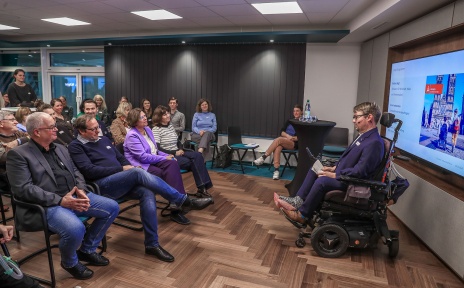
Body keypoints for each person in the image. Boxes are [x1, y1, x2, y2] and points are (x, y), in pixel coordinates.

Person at [68, 114, 212, 261]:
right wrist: (123, 169)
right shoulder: (76, 146)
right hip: (102, 185)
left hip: (120, 181)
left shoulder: (103, 139)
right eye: (93, 129)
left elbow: (120, 158)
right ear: (81, 131)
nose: (98, 131)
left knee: (146, 191)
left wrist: (127, 166)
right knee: (137, 172)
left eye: (98, 127)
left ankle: (152, 244)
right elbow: (89, 171)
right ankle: (181, 199)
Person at [6, 112, 119, 280]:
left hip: (73, 196)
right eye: (51, 127)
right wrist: (60, 200)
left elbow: (75, 171)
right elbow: (23, 189)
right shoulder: (19, 154)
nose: (56, 129)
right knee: (75, 228)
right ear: (37, 132)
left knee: (112, 207)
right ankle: (70, 262)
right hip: (47, 205)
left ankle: (86, 250)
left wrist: (80, 189)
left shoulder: (60, 147)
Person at [275, 102, 384, 226]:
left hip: (352, 182)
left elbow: (361, 171)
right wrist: (334, 167)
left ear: (369, 117)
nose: (354, 121)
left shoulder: (374, 142)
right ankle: (297, 201)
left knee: (322, 181)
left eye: (356, 117)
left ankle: (302, 215)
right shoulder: (364, 136)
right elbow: (348, 158)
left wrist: (335, 175)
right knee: (315, 168)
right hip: (343, 174)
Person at [124, 108, 198, 225]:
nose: (145, 118)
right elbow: (143, 157)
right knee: (163, 173)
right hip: (142, 165)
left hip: (152, 159)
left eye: (144, 116)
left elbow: (156, 150)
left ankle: (177, 203)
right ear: (134, 121)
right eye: (141, 117)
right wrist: (164, 158)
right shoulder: (132, 135)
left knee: (173, 162)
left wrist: (167, 155)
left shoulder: (148, 129)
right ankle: (178, 206)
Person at [152, 105, 214, 199]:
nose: (168, 115)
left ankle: (203, 188)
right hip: (168, 155)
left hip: (178, 151)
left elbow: (177, 141)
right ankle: (202, 188)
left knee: (198, 155)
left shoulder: (170, 126)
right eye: (165, 114)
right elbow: (158, 149)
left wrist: (180, 148)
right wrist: (174, 152)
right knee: (192, 161)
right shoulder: (156, 129)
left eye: (168, 113)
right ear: (159, 117)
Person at [253, 104, 303, 180]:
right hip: (284, 141)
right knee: (278, 147)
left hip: (293, 144)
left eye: (297, 111)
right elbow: (281, 131)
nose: (295, 113)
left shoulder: (302, 123)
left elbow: (300, 137)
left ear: (301, 112)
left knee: (279, 139)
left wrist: (291, 138)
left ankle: (264, 157)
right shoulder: (289, 121)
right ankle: (276, 171)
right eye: (294, 111)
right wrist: (287, 136)